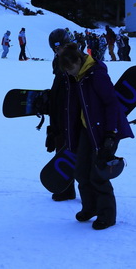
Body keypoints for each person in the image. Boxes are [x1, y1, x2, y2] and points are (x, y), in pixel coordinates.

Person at [55, 42, 134, 230]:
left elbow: (112, 104)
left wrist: (110, 134)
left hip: (105, 130)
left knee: (98, 174)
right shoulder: (77, 77)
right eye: (66, 71)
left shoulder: (96, 75)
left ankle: (107, 215)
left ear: (79, 61)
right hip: (87, 129)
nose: (70, 73)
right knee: (81, 171)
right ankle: (90, 208)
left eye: (71, 68)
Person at [45, 28, 76, 201]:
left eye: (61, 47)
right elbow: (59, 86)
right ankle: (66, 188)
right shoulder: (58, 60)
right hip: (60, 112)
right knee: (61, 147)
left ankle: (90, 195)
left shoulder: (76, 59)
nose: (59, 51)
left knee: (75, 151)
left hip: (72, 113)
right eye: (56, 48)